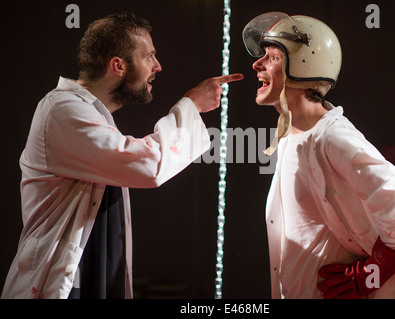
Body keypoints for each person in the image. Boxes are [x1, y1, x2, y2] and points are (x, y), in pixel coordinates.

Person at [2, 12, 243, 299]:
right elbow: (148, 165)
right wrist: (190, 106)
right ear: (117, 65)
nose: (158, 66)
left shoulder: (92, 115)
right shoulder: (62, 108)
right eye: (149, 57)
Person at [242, 12, 395, 299]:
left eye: (272, 57)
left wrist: (370, 275)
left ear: (305, 65)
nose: (257, 63)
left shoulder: (331, 137)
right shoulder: (292, 134)